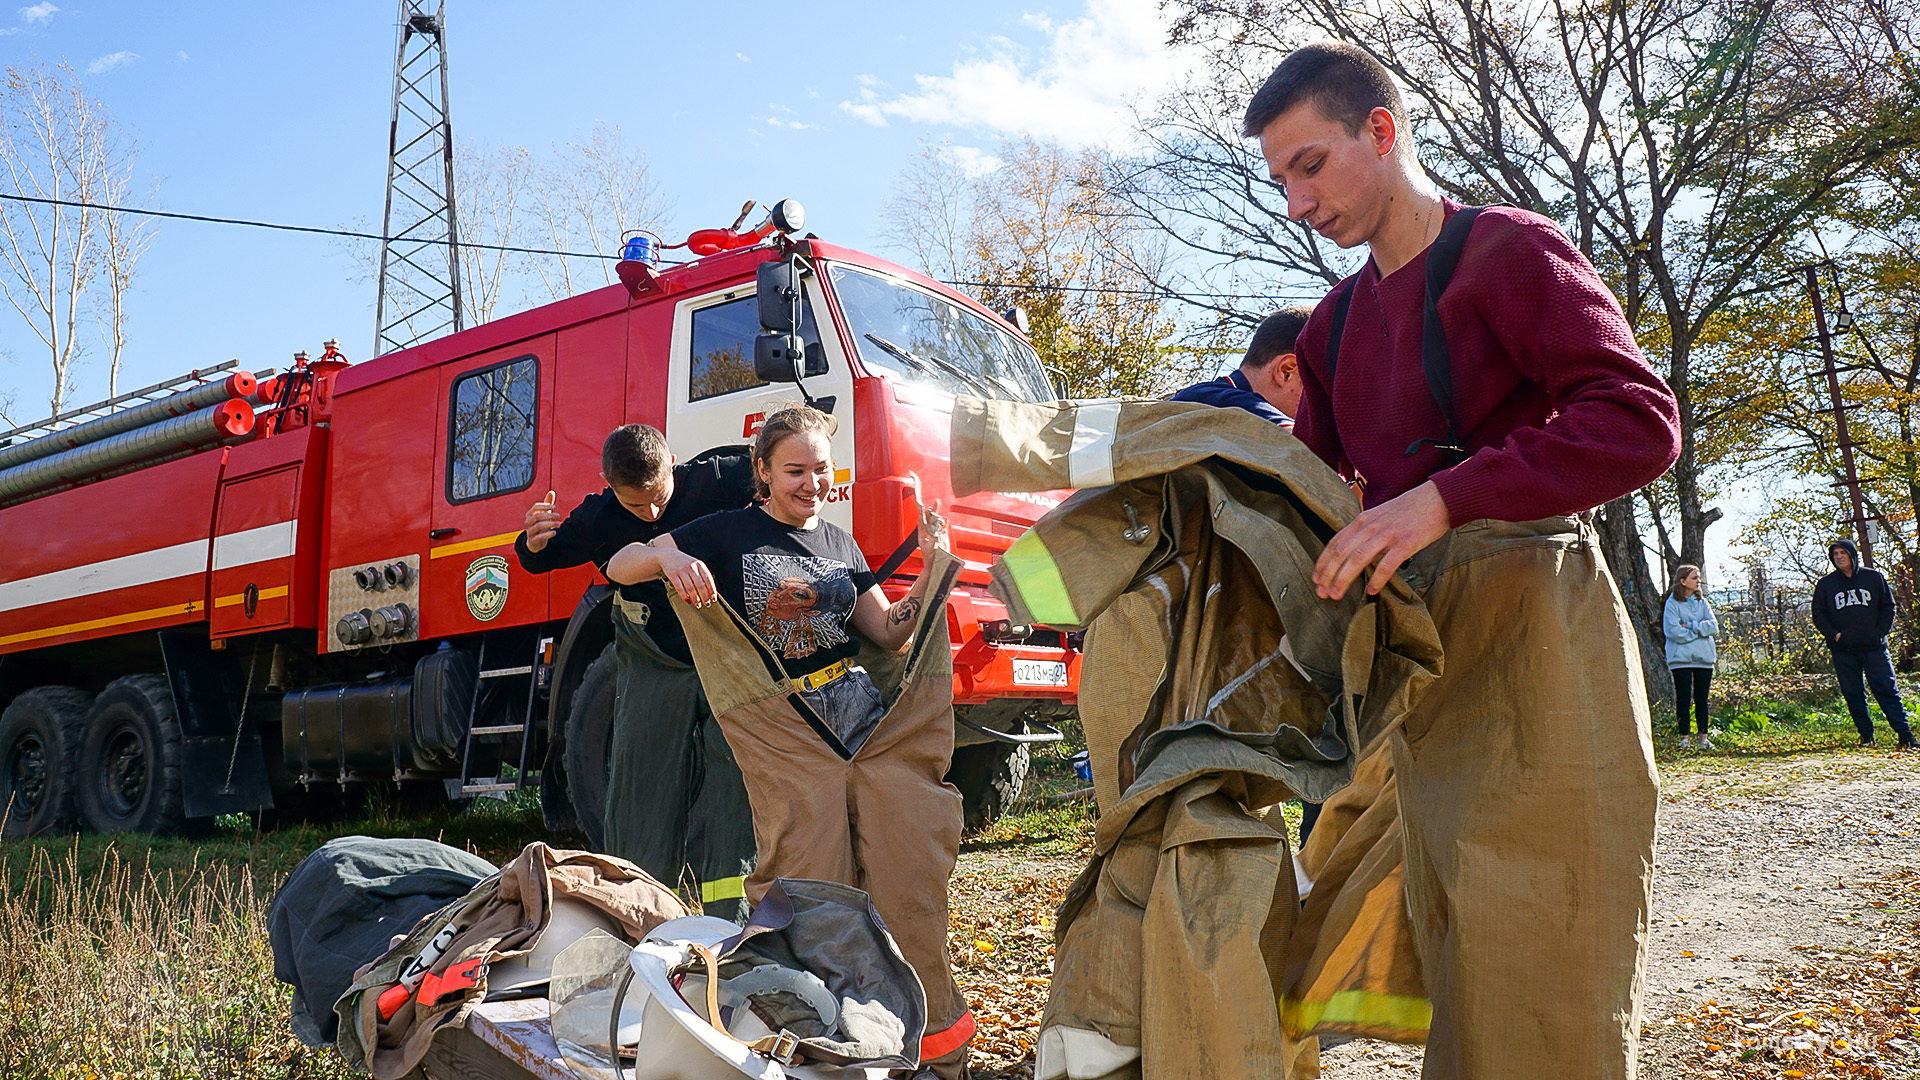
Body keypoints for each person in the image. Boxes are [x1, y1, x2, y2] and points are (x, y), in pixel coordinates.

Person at [1246, 40, 1680, 1080]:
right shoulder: (1341, 326)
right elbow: (1308, 504)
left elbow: (1639, 422)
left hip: (1537, 624)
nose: (1298, 201)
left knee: (1544, 931)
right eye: (1280, 181)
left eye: (1311, 164)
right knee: (1446, 926)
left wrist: (1442, 498)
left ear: (1381, 132)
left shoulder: (1511, 251)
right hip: (1419, 661)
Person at [607, 404, 973, 1078]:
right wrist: (668, 554)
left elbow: (890, 631)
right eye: (796, 469)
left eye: (821, 467)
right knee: (811, 878)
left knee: (902, 865)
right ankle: (829, 1033)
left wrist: (932, 568)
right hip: (784, 727)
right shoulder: (725, 532)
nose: (812, 481)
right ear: (764, 474)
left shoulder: (840, 543)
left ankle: (918, 1039)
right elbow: (619, 566)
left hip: (861, 716)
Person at [514, 423, 760, 916]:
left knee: (733, 780)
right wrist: (531, 544)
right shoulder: (597, 517)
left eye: (659, 498)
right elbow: (539, 561)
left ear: (673, 463)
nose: (651, 513)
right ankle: (639, 914)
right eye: (635, 506)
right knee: (639, 785)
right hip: (652, 654)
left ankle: (730, 918)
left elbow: (789, 476)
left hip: (728, 649)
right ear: (609, 486)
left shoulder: (721, 477)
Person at [1812, 539, 1917, 749]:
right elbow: (1819, 615)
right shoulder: (1826, 584)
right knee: (1853, 693)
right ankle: (1866, 737)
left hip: (1874, 647)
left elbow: (1888, 607)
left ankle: (1905, 736)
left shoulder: (1873, 578)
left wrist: (1879, 633)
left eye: (1843, 553)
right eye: (1835, 554)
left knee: (1887, 690)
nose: (1839, 557)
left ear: (1852, 554)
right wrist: (1835, 635)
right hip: (1844, 649)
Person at [1171, 305, 1312, 427]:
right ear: (1286, 371)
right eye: (1320, 391)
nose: (1324, 410)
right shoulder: (1207, 399)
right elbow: (1299, 441)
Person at [1664, 564, 1720, 748]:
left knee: (1702, 699)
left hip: (1704, 659)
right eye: (1694, 578)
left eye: (1699, 577)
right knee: (1683, 698)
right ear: (1683, 581)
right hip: (1681, 660)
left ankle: (1704, 738)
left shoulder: (1702, 602)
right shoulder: (1672, 603)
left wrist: (1689, 626)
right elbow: (1673, 631)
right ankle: (1684, 738)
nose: (1699, 581)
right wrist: (1699, 628)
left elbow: (1713, 627)